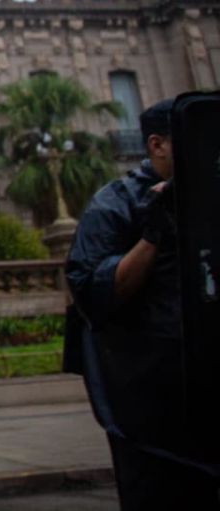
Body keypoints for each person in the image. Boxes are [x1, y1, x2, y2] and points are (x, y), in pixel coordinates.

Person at [66, 98, 220, 510]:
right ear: (157, 145)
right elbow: (92, 295)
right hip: (147, 404)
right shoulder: (114, 204)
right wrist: (153, 232)